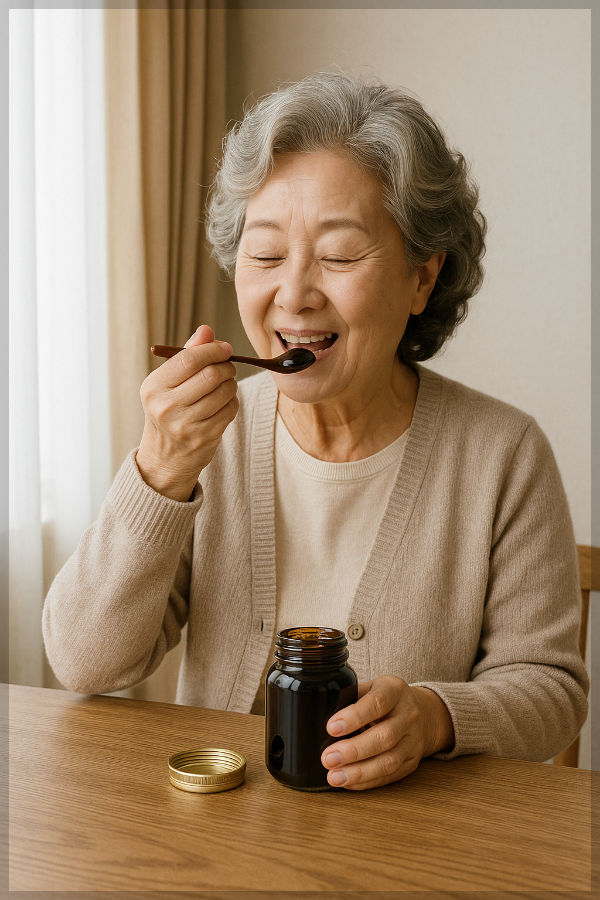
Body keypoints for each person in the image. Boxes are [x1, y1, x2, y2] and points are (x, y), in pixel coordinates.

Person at [43, 72, 588, 791]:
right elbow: (85, 662)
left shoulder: (504, 454)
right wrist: (159, 471)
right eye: (266, 255)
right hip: (217, 829)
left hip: (408, 839)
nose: (294, 294)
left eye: (338, 256)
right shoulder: (206, 441)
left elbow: (550, 689)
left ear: (422, 278)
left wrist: (434, 718)